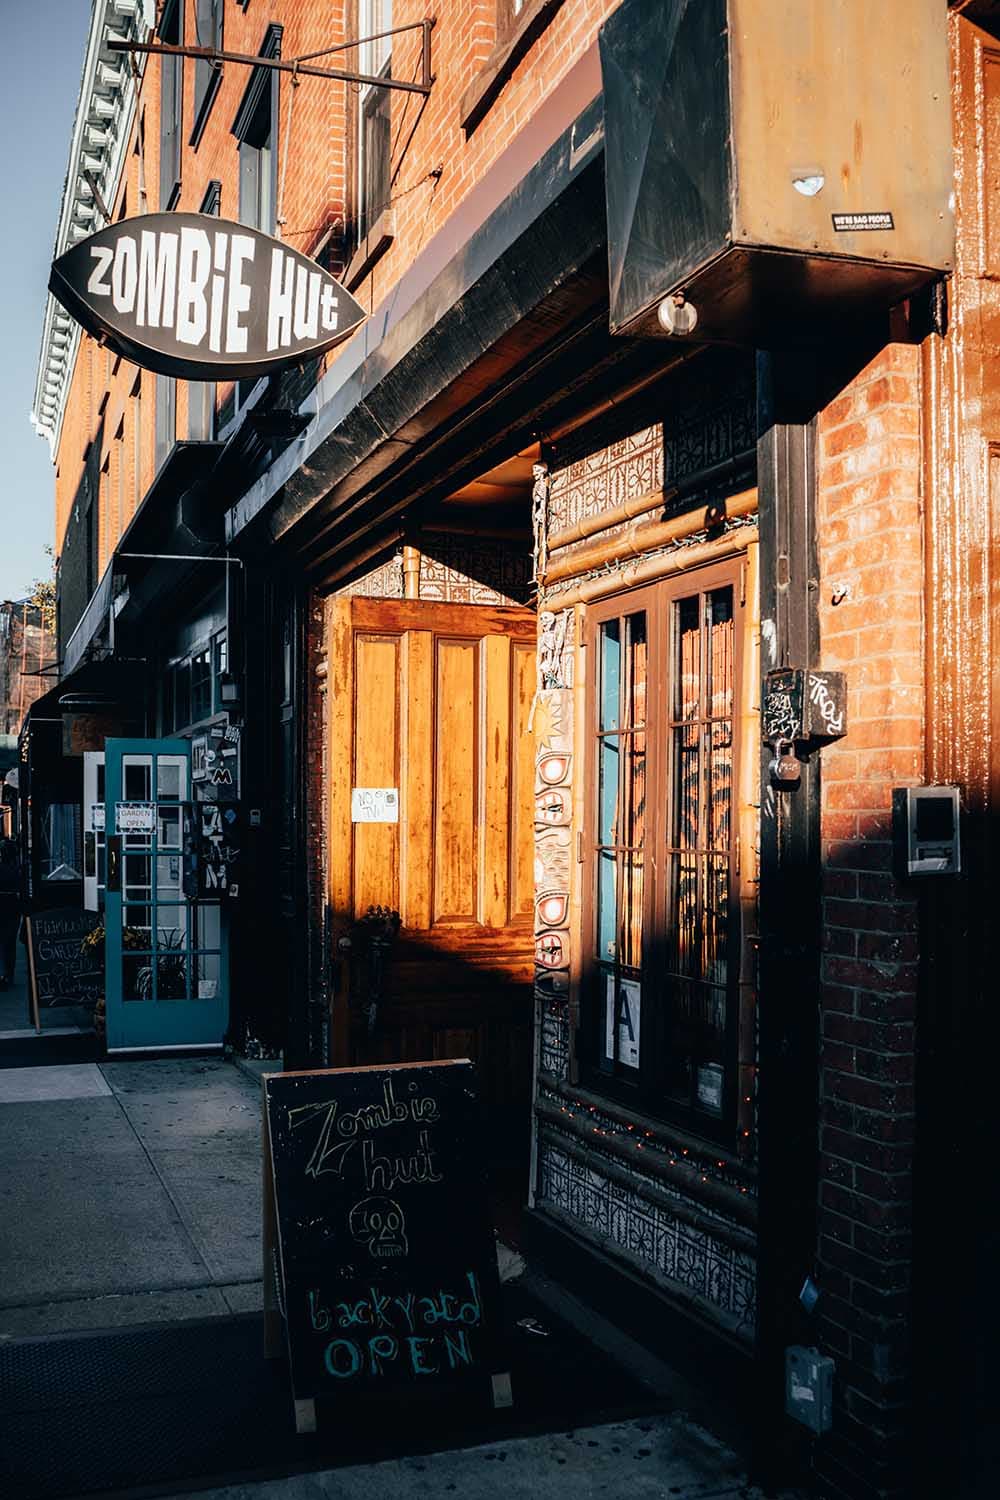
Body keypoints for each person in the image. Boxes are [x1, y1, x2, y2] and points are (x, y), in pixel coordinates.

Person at [0, 837, 20, 990]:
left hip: (3, 905)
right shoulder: (18, 870)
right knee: (10, 941)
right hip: (13, 906)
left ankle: (5, 973)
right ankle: (9, 973)